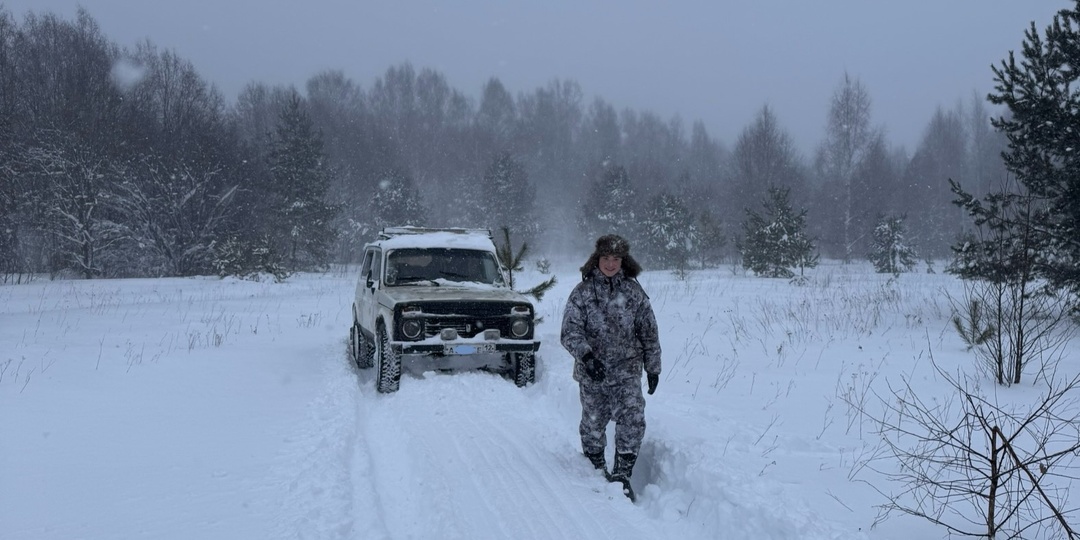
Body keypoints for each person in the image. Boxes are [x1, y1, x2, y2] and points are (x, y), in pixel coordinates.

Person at [560, 234, 661, 502]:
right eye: (605, 258)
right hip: (593, 373)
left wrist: (653, 368)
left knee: (633, 419)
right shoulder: (582, 293)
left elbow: (649, 332)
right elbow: (569, 332)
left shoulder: (634, 293)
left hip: (627, 372)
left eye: (616, 258)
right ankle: (595, 470)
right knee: (593, 424)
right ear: (597, 259)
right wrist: (587, 357)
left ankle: (622, 475)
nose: (610, 263)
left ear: (623, 261)